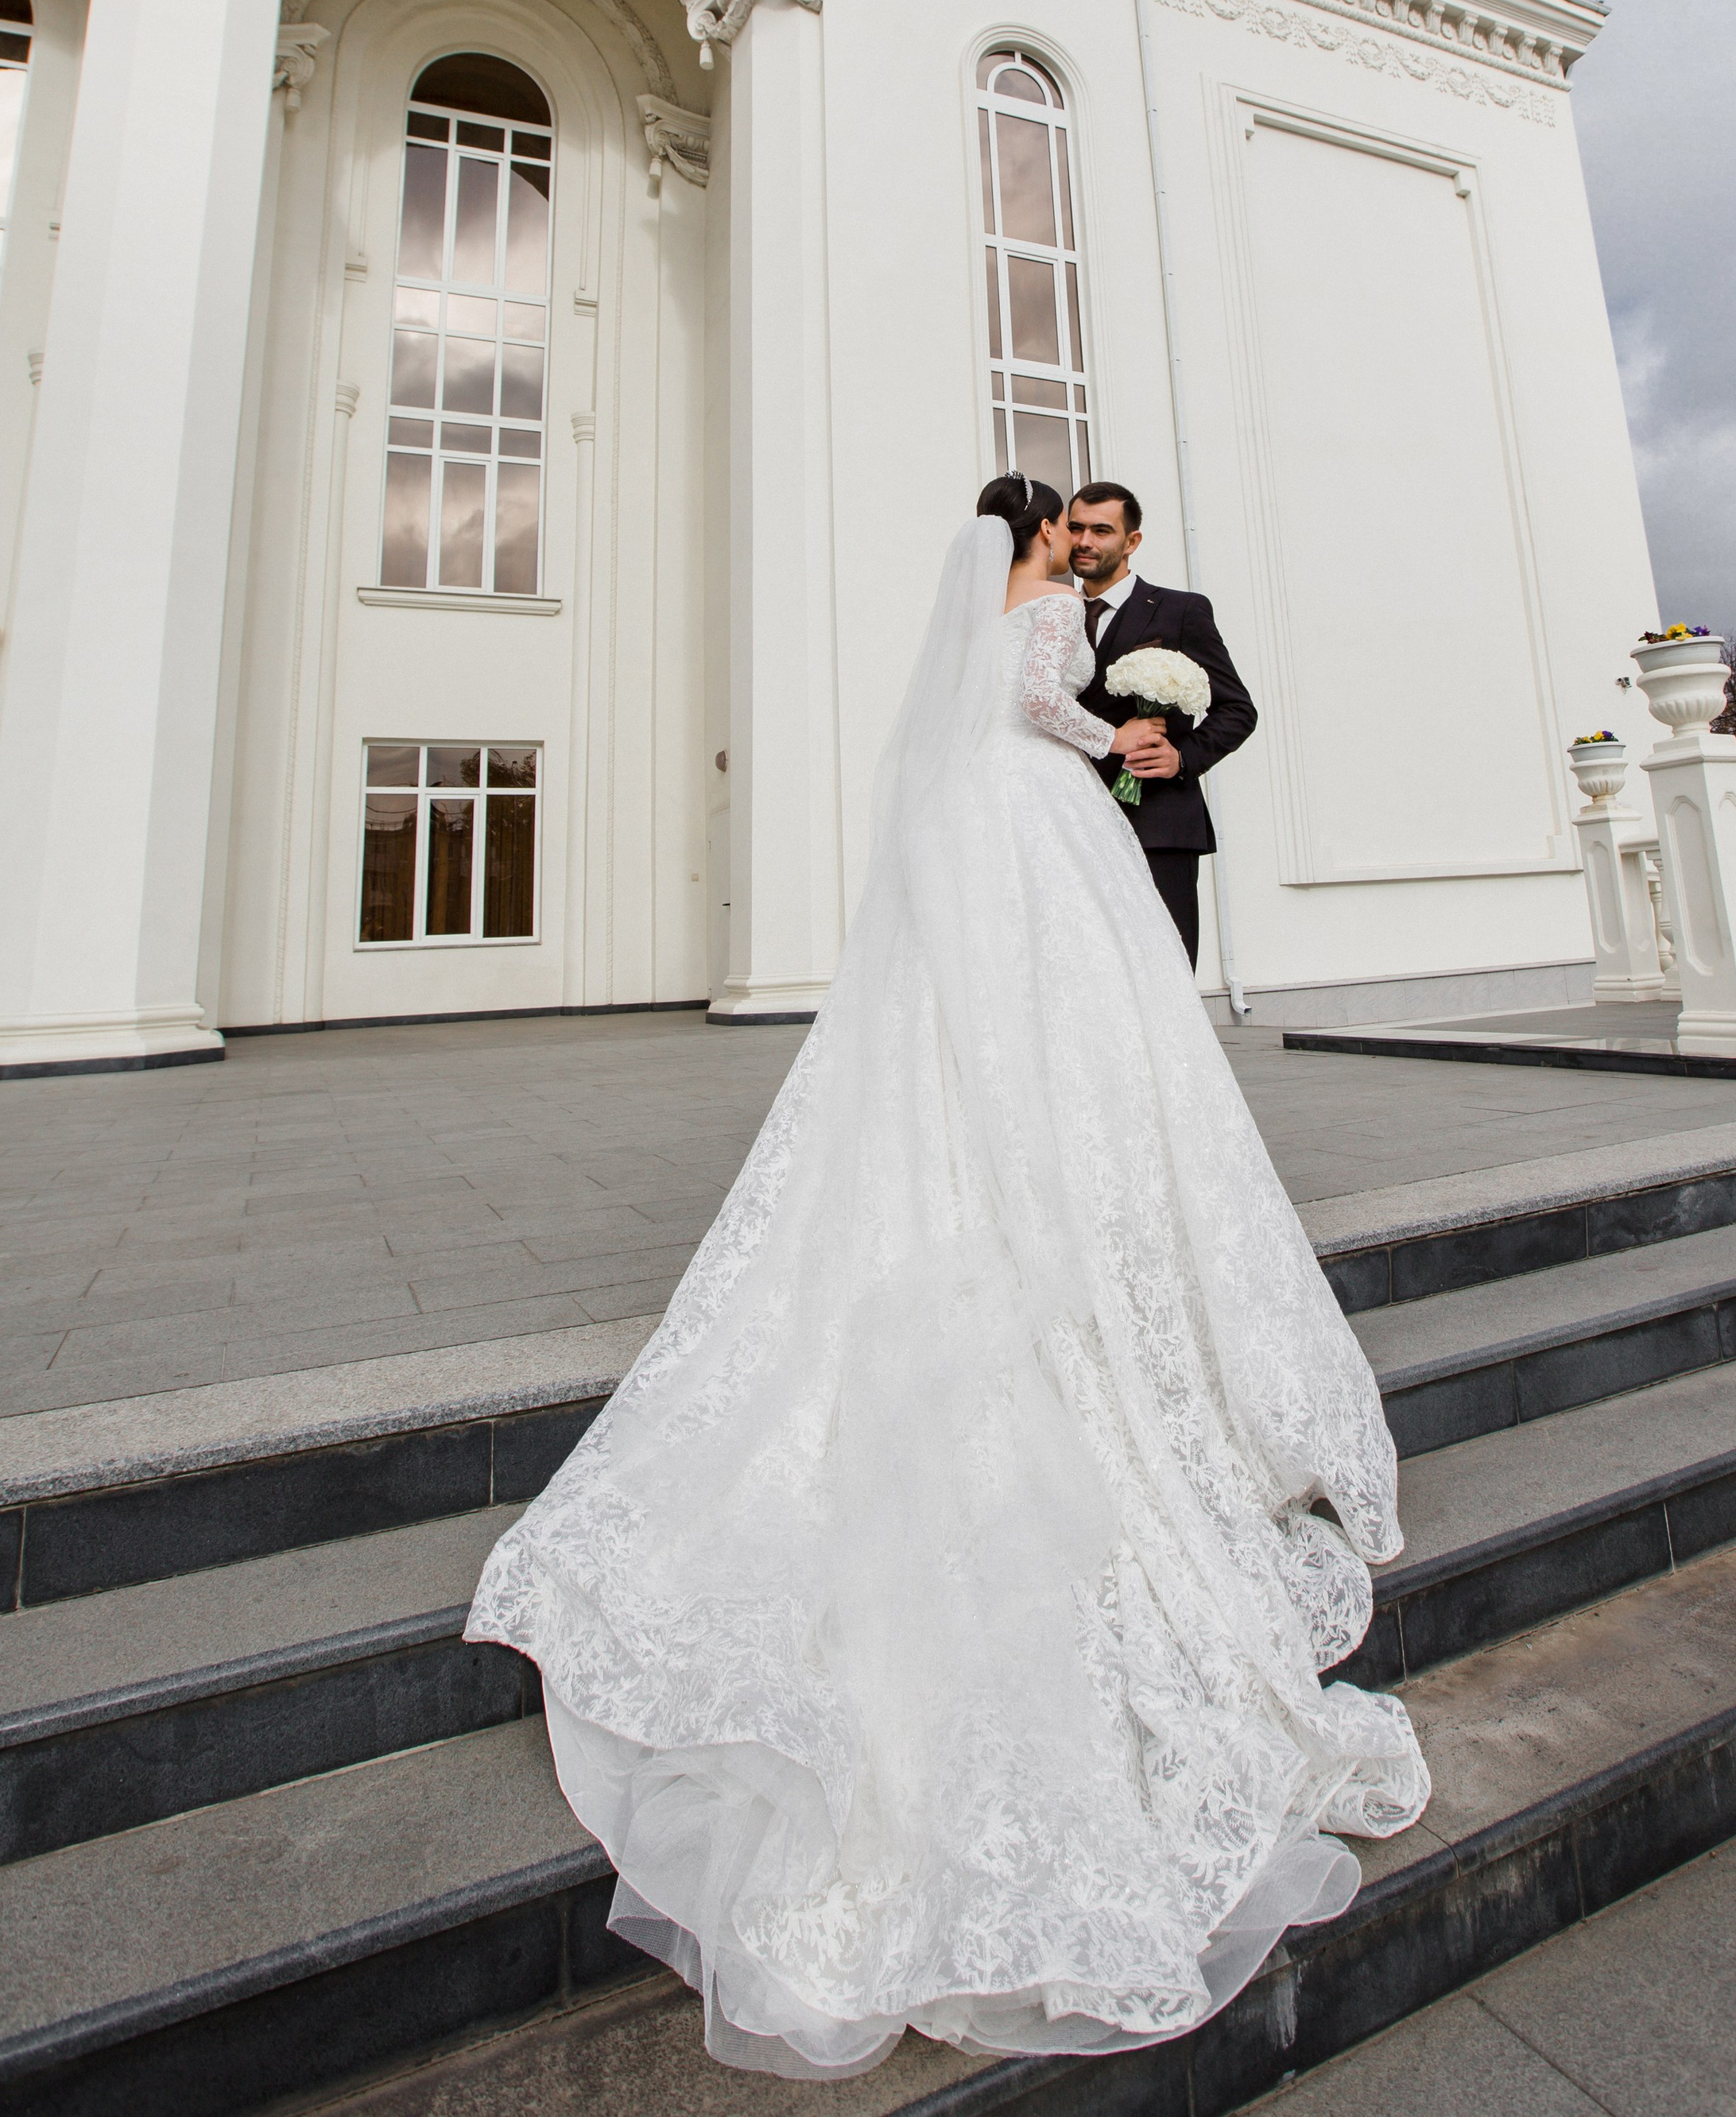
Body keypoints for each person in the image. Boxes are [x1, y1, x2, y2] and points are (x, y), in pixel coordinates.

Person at [467, 475, 1427, 2078]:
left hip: (996, 836)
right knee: (1086, 1034)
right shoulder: (1036, 618)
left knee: (1001, 1030)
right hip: (1047, 817)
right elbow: (1044, 697)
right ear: (1043, 535)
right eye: (1064, 527)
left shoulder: (967, 633)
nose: (1071, 545)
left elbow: (1003, 712)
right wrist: (1107, 738)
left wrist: (1124, 738)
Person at [1067, 481, 1257, 971]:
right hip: (1071, 816)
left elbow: (1237, 709)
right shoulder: (1053, 613)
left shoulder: (1180, 610)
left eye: (1101, 530)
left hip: (1158, 819)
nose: (1085, 540)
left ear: (1132, 542)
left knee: (1163, 966)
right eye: (1076, 528)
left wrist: (1181, 758)